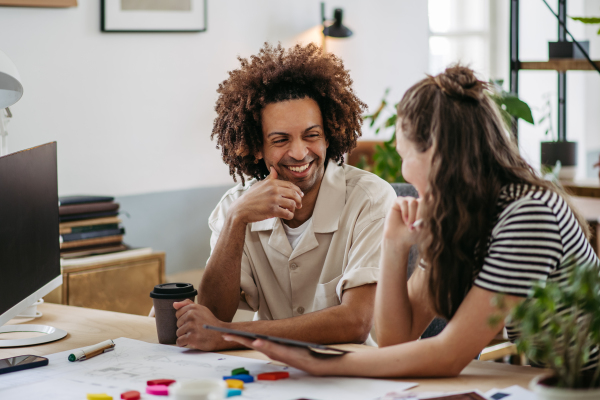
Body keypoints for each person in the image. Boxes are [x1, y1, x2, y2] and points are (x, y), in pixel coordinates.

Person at [224, 65, 600, 377]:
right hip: (557, 382)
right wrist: (394, 244)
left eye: (405, 155)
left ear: (436, 153)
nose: (403, 169)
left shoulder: (527, 213)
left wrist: (327, 362)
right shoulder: (463, 215)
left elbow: (450, 354)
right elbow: (396, 340)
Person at [173, 43, 396, 351]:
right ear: (256, 147)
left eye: (312, 135)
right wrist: (237, 221)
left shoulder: (370, 199)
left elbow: (355, 322)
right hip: (268, 374)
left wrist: (231, 335)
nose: (299, 153)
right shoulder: (235, 207)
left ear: (329, 134)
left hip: (357, 377)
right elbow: (215, 313)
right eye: (280, 140)